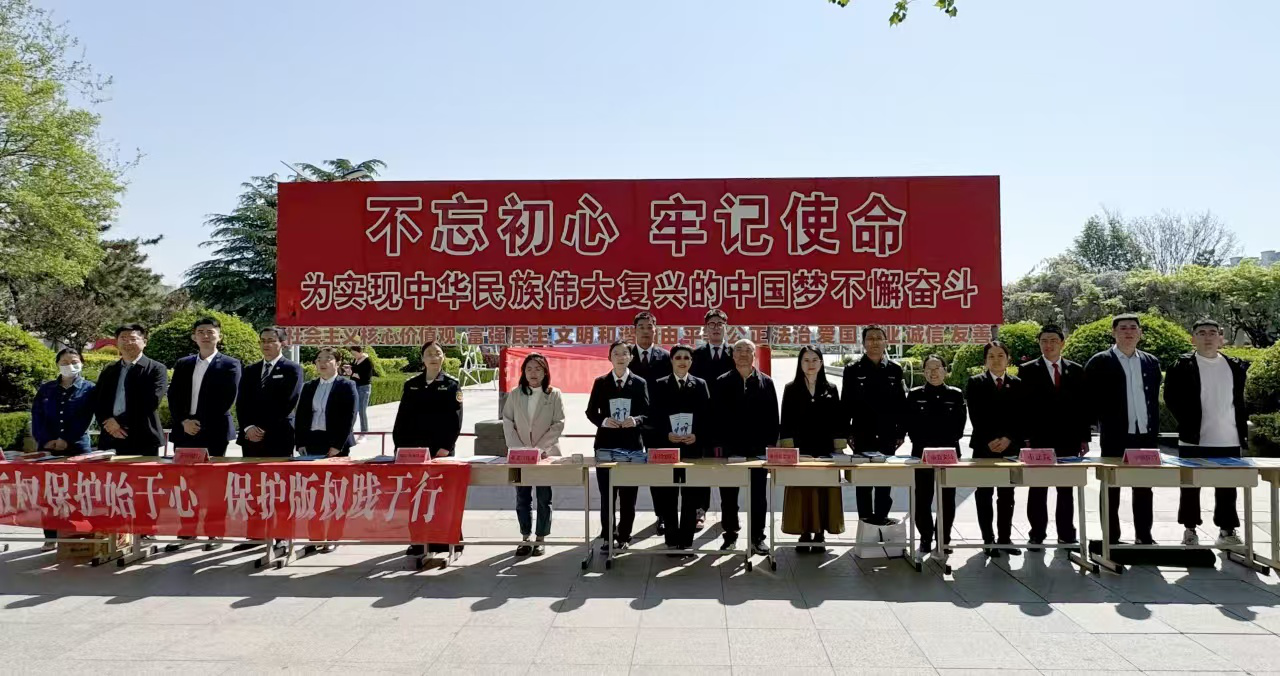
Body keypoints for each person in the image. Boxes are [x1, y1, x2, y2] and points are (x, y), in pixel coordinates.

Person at [1165, 319, 1249, 548]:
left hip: (1229, 438)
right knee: (1190, 486)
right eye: (1201, 333)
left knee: (1227, 488)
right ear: (1193, 339)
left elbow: (1239, 400)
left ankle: (1227, 530)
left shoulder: (1234, 366)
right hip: (1194, 439)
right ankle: (1190, 529)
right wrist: (1188, 421)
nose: (1207, 337)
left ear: (1221, 338)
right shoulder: (1182, 365)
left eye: (1213, 332)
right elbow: (1171, 398)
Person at [1085, 313, 1162, 545]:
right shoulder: (1100, 361)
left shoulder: (1150, 362)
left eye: (1133, 328)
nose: (1128, 332)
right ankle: (1111, 537)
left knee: (1144, 487)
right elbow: (1088, 399)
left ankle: (1144, 535)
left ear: (1140, 333)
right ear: (1114, 332)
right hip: (1115, 436)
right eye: (1123, 328)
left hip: (1145, 436)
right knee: (1111, 486)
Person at [1019, 324, 1091, 550]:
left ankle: (1066, 534)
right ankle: (1037, 533)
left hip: (1069, 439)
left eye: (1053, 341)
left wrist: (1084, 438)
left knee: (1066, 488)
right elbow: (1022, 407)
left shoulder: (1076, 370)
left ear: (1062, 343)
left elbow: (1083, 407)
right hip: (1038, 439)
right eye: (1044, 341)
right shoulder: (1027, 370)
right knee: (1037, 488)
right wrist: (1025, 438)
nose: (1048, 345)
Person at [393, 341, 464, 557]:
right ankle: (418, 540)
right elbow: (402, 418)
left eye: (438, 353)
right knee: (417, 497)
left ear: (443, 357)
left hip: (440, 451)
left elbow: (456, 420)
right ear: (422, 358)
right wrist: (399, 447)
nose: (434, 357)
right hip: (415, 452)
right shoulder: (412, 384)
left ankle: (447, 539)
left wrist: (446, 447)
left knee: (442, 496)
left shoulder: (451, 385)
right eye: (429, 354)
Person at [712, 339, 777, 556]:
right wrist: (719, 447)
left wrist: (770, 446)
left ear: (754, 355)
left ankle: (758, 537)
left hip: (758, 450)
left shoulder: (766, 382)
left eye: (747, 350)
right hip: (731, 450)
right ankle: (730, 534)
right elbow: (715, 417)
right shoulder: (722, 381)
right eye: (738, 350)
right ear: (732, 355)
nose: (742, 354)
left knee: (758, 496)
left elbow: (773, 418)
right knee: (728, 496)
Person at [780, 345, 845, 553]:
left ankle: (820, 533)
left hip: (825, 449)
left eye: (815, 360)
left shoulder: (831, 388)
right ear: (800, 363)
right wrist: (789, 449)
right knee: (803, 492)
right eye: (806, 360)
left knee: (824, 492)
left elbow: (838, 421)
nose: (811, 364)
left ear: (821, 363)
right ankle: (804, 532)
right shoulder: (791, 388)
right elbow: (786, 421)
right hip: (801, 450)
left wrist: (839, 449)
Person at [586, 340, 649, 551]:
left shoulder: (639, 383)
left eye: (625, 353)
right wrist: (604, 421)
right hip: (606, 445)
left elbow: (647, 413)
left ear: (631, 357)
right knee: (607, 495)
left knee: (629, 495)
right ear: (609, 358)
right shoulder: (601, 382)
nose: (621, 357)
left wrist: (636, 420)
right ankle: (607, 535)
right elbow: (591, 412)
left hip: (632, 446)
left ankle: (624, 535)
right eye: (616, 353)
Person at [501, 352, 565, 556]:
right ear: (523, 372)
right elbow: (507, 421)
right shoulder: (515, 394)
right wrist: (519, 449)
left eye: (538, 368)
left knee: (544, 498)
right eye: (529, 369)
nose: (533, 373)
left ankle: (540, 538)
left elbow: (558, 423)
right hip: (519, 456)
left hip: (545, 455)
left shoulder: (554, 394)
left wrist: (539, 449)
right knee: (522, 497)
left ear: (545, 372)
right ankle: (525, 537)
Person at [649, 344, 712, 553]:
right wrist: (666, 434)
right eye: (678, 357)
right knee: (668, 494)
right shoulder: (659, 384)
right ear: (671, 361)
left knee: (691, 494)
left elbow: (707, 416)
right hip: (668, 448)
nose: (682, 361)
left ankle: (686, 540)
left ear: (691, 361)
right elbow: (654, 416)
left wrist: (697, 436)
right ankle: (671, 538)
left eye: (686, 358)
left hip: (692, 448)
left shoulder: (700, 384)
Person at [841, 325, 907, 525]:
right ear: (863, 343)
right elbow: (846, 404)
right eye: (870, 338)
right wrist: (847, 433)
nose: (875, 342)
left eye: (879, 338)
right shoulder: (853, 370)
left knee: (885, 480)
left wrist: (901, 432)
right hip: (862, 433)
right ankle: (865, 521)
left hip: (887, 433)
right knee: (863, 482)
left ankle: (881, 519)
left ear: (886, 342)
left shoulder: (894, 370)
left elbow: (900, 404)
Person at [32, 348, 96, 551]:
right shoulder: (47, 389)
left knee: (78, 492)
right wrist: (46, 439)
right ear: (58, 365)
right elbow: (37, 415)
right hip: (48, 448)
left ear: (82, 363)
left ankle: (78, 534)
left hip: (77, 448)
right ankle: (51, 536)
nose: (70, 365)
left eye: (74, 361)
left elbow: (86, 418)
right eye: (65, 362)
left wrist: (66, 439)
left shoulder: (90, 389)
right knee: (49, 493)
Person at [967, 340, 1024, 557]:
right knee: (984, 493)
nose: (996, 360)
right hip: (984, 447)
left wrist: (1009, 438)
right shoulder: (976, 382)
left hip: (1010, 448)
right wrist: (990, 439)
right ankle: (988, 539)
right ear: (985, 360)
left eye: (1001, 355)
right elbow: (976, 415)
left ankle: (1005, 538)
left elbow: (1021, 416)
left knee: (1007, 494)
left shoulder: (1017, 383)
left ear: (1008, 359)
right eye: (991, 356)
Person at [906, 354, 966, 557]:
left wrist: (941, 446)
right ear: (923, 372)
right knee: (922, 498)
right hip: (922, 454)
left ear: (945, 370)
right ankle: (925, 537)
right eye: (928, 369)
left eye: (937, 368)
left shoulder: (955, 395)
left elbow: (959, 427)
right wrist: (928, 446)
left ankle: (944, 538)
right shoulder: (915, 395)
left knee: (947, 499)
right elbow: (911, 426)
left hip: (949, 455)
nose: (933, 373)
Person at [168, 317, 243, 457]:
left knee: (211, 470)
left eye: (210, 332)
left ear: (219, 337)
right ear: (194, 337)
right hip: (183, 430)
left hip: (214, 431)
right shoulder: (183, 364)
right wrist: (185, 421)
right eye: (200, 332)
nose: (205, 336)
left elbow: (227, 399)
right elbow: (173, 396)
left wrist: (198, 424)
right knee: (182, 469)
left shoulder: (230, 364)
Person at [689, 309, 734, 531]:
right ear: (705, 328)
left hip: (727, 422)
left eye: (719, 324)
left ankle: (729, 514)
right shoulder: (695, 355)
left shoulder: (735, 353)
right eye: (712, 324)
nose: (716, 328)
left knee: (727, 469)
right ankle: (700, 510)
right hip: (702, 422)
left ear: (726, 327)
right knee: (701, 466)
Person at [94, 323, 168, 456]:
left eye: (133, 339)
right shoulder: (109, 370)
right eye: (123, 338)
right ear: (117, 342)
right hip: (110, 436)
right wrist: (108, 422)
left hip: (143, 437)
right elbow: (98, 400)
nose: (128, 342)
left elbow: (151, 402)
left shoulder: (156, 369)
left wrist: (119, 422)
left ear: (144, 342)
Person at [630, 311, 672, 536]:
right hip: (630, 424)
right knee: (628, 471)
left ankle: (662, 515)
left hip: (658, 424)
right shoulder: (625, 355)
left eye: (649, 327)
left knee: (659, 470)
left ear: (656, 330)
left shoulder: (665, 357)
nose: (646, 331)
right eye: (641, 327)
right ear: (634, 331)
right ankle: (623, 521)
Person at [237, 327, 305, 457]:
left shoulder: (292, 369)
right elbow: (242, 401)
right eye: (262, 341)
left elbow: (287, 402)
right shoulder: (250, 369)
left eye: (271, 341)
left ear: (282, 343)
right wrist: (248, 427)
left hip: (278, 435)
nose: (266, 344)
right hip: (250, 436)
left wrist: (262, 428)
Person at [295, 347, 358, 457]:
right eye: (319, 359)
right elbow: (301, 416)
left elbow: (349, 418)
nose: (322, 363)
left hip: (335, 443)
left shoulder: (346, 386)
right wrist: (300, 443)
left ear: (338, 363)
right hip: (312, 440)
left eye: (328, 359)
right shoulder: (309, 386)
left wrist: (337, 445)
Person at [349, 346, 375, 436]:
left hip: (364, 387)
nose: (354, 356)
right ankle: (349, 431)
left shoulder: (368, 362)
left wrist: (353, 374)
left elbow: (366, 377)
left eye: (354, 354)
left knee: (361, 410)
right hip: (355, 386)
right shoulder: (356, 360)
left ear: (360, 352)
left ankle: (364, 432)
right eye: (352, 354)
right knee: (353, 409)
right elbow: (353, 371)